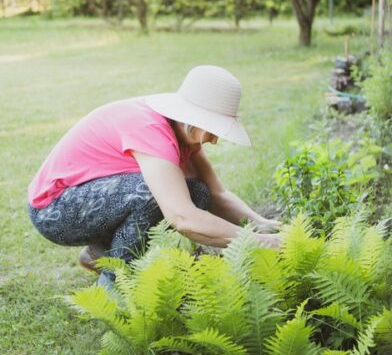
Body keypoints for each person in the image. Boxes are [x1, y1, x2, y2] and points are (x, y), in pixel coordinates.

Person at [27, 65, 281, 288]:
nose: (215, 140)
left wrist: (268, 227)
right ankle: (117, 285)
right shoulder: (150, 130)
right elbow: (182, 218)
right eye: (214, 130)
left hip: (89, 201)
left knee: (198, 193)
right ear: (192, 120)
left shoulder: (183, 134)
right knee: (151, 195)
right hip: (54, 211)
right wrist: (262, 242)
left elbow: (217, 194)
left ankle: (100, 253)